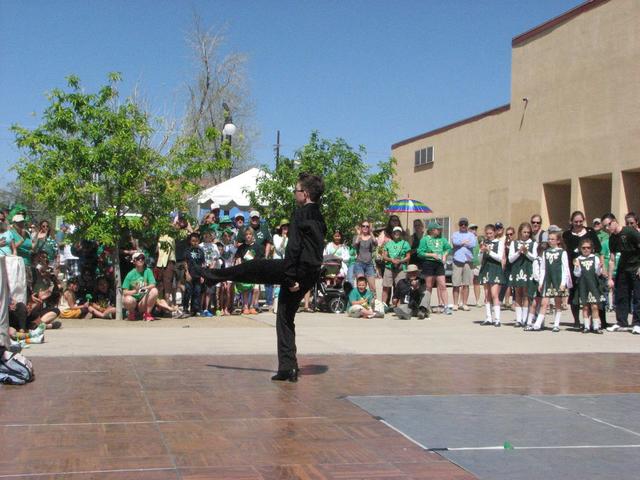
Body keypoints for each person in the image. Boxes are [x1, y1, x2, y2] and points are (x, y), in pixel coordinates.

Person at [203, 173, 326, 382]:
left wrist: (289, 278)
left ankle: (212, 275)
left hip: (296, 271)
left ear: (304, 194)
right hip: (311, 272)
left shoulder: (300, 214)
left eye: (296, 190)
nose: (294, 194)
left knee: (255, 267)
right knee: (285, 316)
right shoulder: (320, 216)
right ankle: (288, 367)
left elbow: (294, 248)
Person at [562, 211, 602, 329]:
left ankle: (591, 322)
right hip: (573, 268)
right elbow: (565, 251)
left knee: (591, 294)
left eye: (580, 221)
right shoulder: (567, 234)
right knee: (575, 294)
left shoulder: (590, 232)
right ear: (571, 222)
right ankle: (576, 321)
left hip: (589, 267)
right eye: (576, 222)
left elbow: (598, 247)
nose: (578, 224)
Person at [602, 213, 640, 333]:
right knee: (621, 295)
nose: (607, 228)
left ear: (614, 221)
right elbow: (612, 259)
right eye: (605, 227)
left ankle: (637, 323)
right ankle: (621, 322)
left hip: (636, 266)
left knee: (638, 297)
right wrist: (609, 278)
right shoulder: (612, 238)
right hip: (623, 268)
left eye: (608, 225)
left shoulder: (630, 232)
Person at [527, 231, 570, 332]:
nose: (550, 241)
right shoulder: (546, 252)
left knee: (557, 302)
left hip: (558, 280)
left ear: (558, 240)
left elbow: (565, 269)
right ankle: (537, 324)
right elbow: (543, 269)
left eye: (552, 239)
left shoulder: (562, 252)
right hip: (547, 280)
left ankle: (556, 324)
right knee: (544, 302)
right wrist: (541, 282)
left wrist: (563, 283)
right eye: (549, 239)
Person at [417, 221, 452, 314]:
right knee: (429, 286)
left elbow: (448, 248)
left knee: (443, 285)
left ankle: (446, 306)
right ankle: (426, 306)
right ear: (432, 230)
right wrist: (431, 254)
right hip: (428, 263)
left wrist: (445, 255)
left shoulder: (442, 239)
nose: (440, 230)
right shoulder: (424, 240)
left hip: (439, 264)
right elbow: (419, 253)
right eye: (438, 229)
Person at [508, 222, 538, 327]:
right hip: (517, 269)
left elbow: (535, 257)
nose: (526, 234)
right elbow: (510, 259)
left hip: (527, 269)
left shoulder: (533, 243)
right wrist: (518, 252)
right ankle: (518, 319)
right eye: (524, 232)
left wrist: (526, 252)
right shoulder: (514, 243)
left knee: (526, 294)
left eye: (528, 232)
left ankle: (525, 319)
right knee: (517, 294)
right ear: (520, 232)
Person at [572, 238, 604, 333]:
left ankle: (596, 326)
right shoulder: (578, 259)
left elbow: (598, 273)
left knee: (594, 306)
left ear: (591, 248)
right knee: (585, 306)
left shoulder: (595, 258)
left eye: (588, 247)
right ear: (580, 248)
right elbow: (576, 274)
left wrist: (599, 267)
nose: (586, 249)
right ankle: (586, 326)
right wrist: (577, 266)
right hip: (583, 285)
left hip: (593, 285)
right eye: (584, 247)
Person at [479, 224, 505, 326]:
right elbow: (480, 260)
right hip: (486, 269)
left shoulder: (499, 243)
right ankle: (488, 318)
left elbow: (499, 257)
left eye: (491, 233)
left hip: (495, 268)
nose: (489, 235)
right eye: (487, 233)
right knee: (487, 295)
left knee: (494, 294)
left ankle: (497, 319)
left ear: (494, 233)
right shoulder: (484, 243)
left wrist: (489, 251)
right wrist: (481, 252)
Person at [122, 251, 158, 321]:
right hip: (133, 302)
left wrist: (145, 287)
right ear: (134, 261)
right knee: (127, 299)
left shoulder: (148, 271)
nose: (141, 260)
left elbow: (153, 284)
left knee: (154, 290)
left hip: (143, 301)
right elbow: (124, 292)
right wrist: (135, 291)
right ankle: (132, 313)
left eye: (142, 258)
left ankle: (147, 314)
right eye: (138, 258)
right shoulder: (130, 274)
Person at [451, 217, 477, 311]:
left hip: (468, 261)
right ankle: (455, 304)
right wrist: (464, 242)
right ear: (459, 225)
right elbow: (455, 242)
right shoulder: (455, 234)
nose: (463, 226)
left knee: (466, 284)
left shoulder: (471, 234)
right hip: (457, 260)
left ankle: (465, 304)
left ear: (467, 225)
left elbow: (473, 244)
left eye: (465, 224)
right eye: (461, 224)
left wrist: (461, 243)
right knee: (456, 284)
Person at [381, 226, 410, 306]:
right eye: (395, 232)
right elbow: (384, 256)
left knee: (400, 287)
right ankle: (383, 305)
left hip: (401, 268)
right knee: (386, 287)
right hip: (389, 267)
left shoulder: (405, 243)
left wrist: (400, 260)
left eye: (398, 232)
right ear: (393, 233)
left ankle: (399, 306)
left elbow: (408, 256)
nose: (397, 233)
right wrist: (391, 260)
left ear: (400, 233)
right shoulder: (388, 244)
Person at [352, 220, 378, 298]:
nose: (365, 227)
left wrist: (371, 232)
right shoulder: (357, 237)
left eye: (367, 226)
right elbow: (354, 245)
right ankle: (359, 302)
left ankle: (374, 303)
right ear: (361, 227)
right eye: (363, 226)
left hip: (369, 265)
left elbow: (376, 243)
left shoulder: (371, 237)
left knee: (372, 287)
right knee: (361, 285)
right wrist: (359, 234)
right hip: (359, 264)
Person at [184, 232, 206, 316]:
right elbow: (185, 262)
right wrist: (187, 273)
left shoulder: (200, 250)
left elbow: (203, 263)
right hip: (190, 274)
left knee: (197, 292)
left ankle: (195, 309)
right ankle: (185, 308)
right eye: (193, 241)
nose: (195, 242)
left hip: (198, 275)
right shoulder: (187, 250)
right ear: (190, 241)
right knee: (188, 291)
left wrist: (202, 275)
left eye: (196, 241)